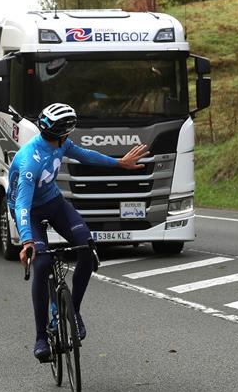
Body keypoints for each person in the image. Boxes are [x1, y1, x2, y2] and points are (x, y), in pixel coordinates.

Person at [9, 103, 149, 362]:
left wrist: (119, 163)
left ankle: (73, 310)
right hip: (30, 210)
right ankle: (41, 337)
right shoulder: (30, 160)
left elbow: (86, 155)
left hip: (53, 202)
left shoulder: (60, 144)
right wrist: (27, 239)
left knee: (86, 246)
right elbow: (21, 204)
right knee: (41, 264)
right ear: (62, 132)